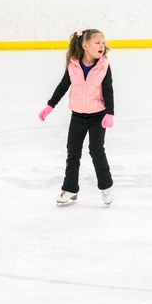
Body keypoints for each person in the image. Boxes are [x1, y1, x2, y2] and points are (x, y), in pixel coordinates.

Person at [38, 29, 114, 205]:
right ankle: (71, 189)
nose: (102, 45)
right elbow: (63, 85)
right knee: (72, 153)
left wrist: (110, 112)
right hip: (78, 116)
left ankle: (106, 187)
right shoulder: (73, 64)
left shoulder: (104, 66)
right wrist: (50, 105)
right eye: (97, 42)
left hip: (98, 116)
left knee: (96, 151)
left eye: (103, 42)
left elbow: (108, 90)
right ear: (85, 45)